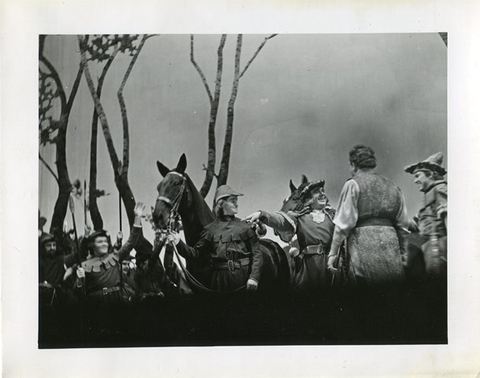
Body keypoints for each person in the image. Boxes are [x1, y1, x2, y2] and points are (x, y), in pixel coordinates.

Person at [327, 145, 408, 288]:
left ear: (353, 165)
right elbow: (403, 226)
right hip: (391, 243)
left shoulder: (353, 184)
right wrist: (404, 253)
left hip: (363, 240)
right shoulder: (393, 187)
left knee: (364, 290)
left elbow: (342, 225)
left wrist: (333, 254)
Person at [167, 185, 262, 292]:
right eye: (232, 201)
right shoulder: (210, 230)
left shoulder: (245, 226)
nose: (237, 204)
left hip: (243, 279)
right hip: (219, 281)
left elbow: (257, 255)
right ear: (221, 203)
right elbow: (196, 254)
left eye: (236, 200)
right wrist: (178, 242)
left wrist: (254, 278)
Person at [244, 180, 335, 291]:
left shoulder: (333, 216)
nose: (322, 194)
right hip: (309, 266)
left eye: (322, 190)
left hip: (332, 264)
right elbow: (281, 221)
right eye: (317, 191)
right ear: (308, 199)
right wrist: (262, 214)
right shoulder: (299, 218)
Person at [75, 202, 145, 304]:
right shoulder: (85, 265)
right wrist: (79, 281)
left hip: (115, 302)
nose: (104, 244)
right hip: (96, 306)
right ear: (93, 245)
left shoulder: (115, 256)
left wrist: (137, 218)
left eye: (105, 241)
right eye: (100, 242)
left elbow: (131, 242)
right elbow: (77, 293)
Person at [405, 152, 447, 283]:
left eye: (418, 176)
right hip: (429, 246)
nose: (415, 180)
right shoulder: (428, 196)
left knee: (437, 285)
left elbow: (448, 215)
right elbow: (416, 225)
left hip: (438, 245)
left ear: (430, 174)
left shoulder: (440, 189)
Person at [39, 232, 77, 306]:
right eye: (48, 245)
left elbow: (76, 254)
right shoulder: (37, 262)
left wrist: (86, 237)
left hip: (56, 300)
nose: (52, 248)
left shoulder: (61, 260)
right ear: (43, 247)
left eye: (54, 245)